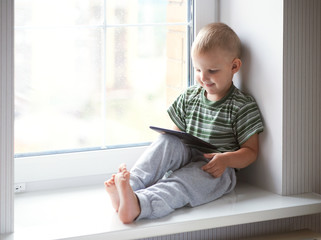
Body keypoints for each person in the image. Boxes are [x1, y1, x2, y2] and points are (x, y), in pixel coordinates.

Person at [104, 22, 264, 224]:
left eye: (212, 71)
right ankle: (130, 186)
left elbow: (251, 152)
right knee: (168, 142)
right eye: (198, 69)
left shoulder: (242, 105)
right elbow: (176, 138)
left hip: (218, 169)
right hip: (189, 153)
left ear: (234, 66)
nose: (203, 78)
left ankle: (140, 204)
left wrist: (226, 159)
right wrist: (171, 149)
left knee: (180, 184)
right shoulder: (190, 97)